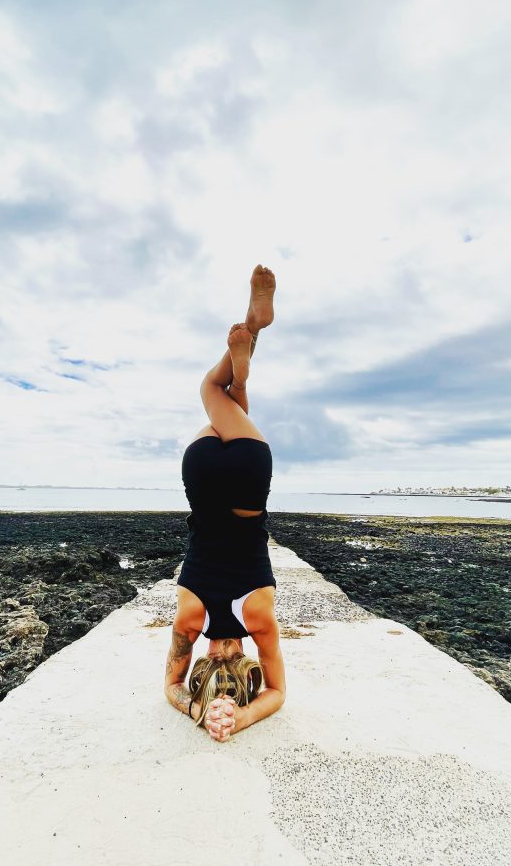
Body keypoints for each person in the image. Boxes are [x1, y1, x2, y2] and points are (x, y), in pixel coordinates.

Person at [164, 264, 286, 742]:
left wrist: (243, 714)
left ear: (244, 658)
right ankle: (246, 351)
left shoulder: (260, 618)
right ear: (212, 656)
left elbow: (277, 692)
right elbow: (170, 687)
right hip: (203, 476)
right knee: (213, 394)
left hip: (251, 479)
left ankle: (250, 345)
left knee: (223, 396)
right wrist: (198, 707)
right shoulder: (190, 617)